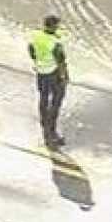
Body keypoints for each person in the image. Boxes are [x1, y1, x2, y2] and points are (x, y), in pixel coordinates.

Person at [26, 15, 68, 148]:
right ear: (54, 26)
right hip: (53, 73)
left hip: (41, 72)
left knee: (43, 99)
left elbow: (31, 50)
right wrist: (64, 76)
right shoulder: (55, 43)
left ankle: (45, 127)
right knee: (56, 102)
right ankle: (52, 132)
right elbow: (60, 60)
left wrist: (37, 62)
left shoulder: (36, 36)